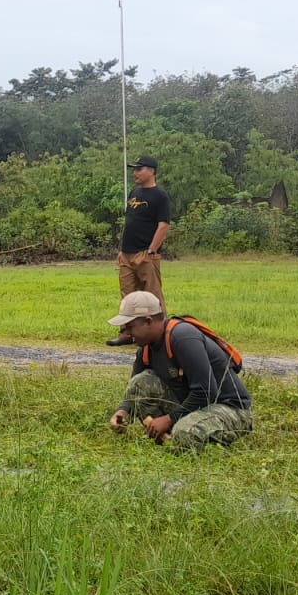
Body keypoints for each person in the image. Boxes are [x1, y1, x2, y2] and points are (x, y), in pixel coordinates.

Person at [106, 291, 253, 453]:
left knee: (184, 434)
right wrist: (123, 411)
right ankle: (169, 438)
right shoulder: (146, 348)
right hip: (196, 408)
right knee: (140, 382)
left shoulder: (182, 337)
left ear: (148, 321)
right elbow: (135, 390)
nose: (126, 334)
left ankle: (183, 436)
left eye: (129, 327)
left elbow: (206, 391)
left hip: (230, 409)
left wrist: (169, 419)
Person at [108, 154, 171, 346]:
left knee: (152, 296)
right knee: (128, 296)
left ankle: (163, 334)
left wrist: (152, 250)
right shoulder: (134, 193)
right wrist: (121, 249)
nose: (135, 173)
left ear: (151, 171)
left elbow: (163, 225)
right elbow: (130, 223)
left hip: (145, 254)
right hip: (127, 253)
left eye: (139, 169)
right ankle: (127, 333)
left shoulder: (160, 196)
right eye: (134, 169)